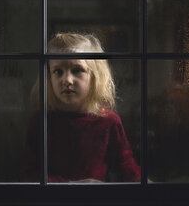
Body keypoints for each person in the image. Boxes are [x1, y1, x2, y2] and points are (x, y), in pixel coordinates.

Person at [22, 33, 140, 183]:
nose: (67, 80)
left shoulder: (108, 121)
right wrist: (72, 186)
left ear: (95, 76)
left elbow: (127, 165)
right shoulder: (40, 120)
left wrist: (149, 186)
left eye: (77, 70)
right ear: (49, 77)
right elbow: (30, 174)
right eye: (58, 71)